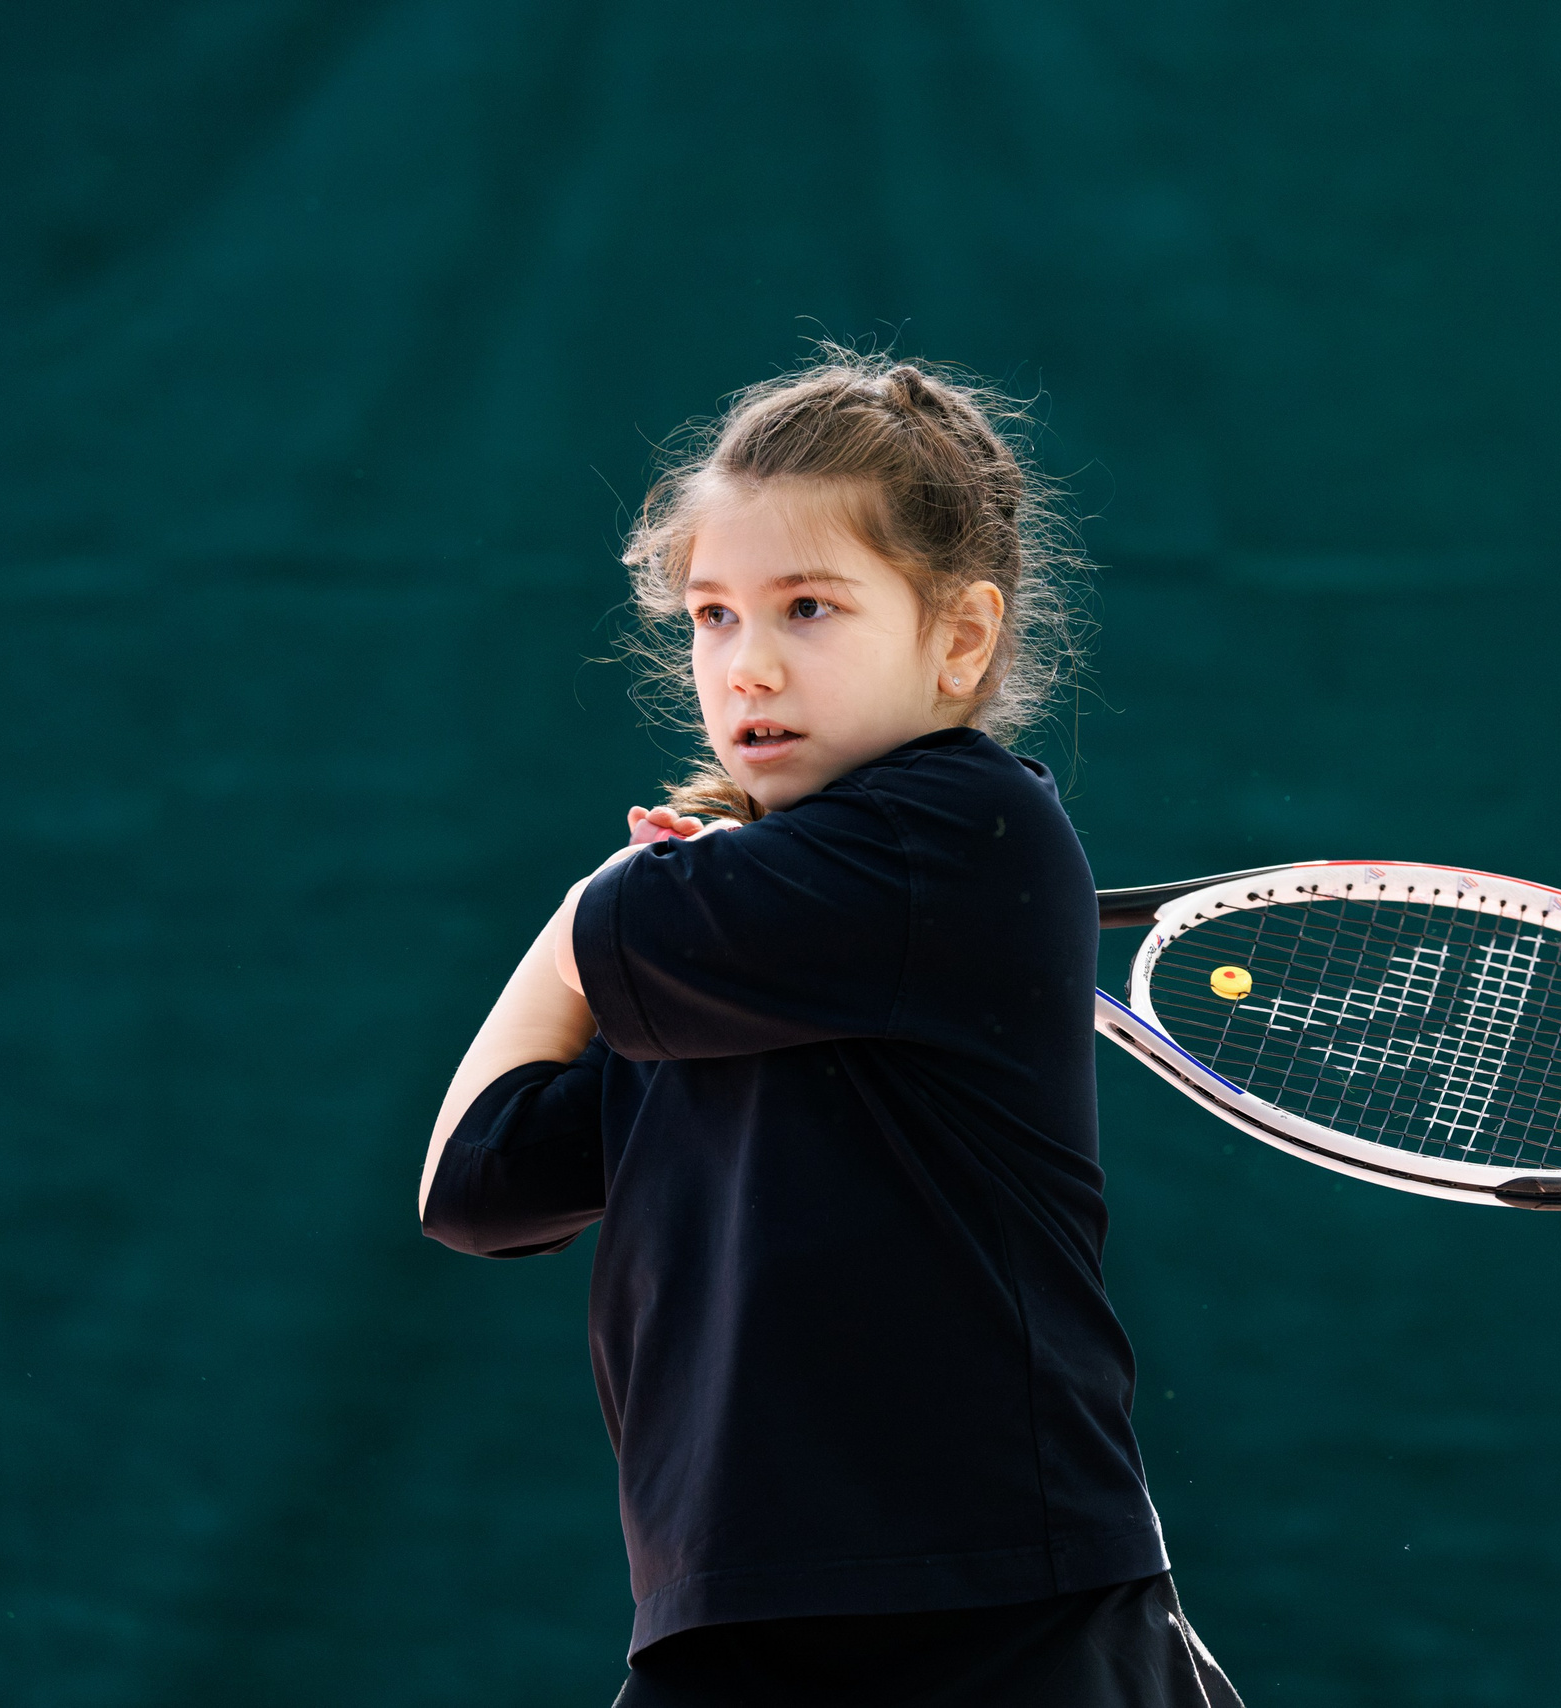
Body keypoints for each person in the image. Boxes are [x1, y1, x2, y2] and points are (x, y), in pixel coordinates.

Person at [417, 350, 1243, 1707]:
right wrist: (615, 905)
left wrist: (613, 900)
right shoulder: (723, 949)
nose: (746, 666)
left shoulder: (965, 828)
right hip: (730, 1633)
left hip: (1006, 1624)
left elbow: (612, 937)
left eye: (809, 608)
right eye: (711, 617)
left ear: (959, 638)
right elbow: (474, 1180)